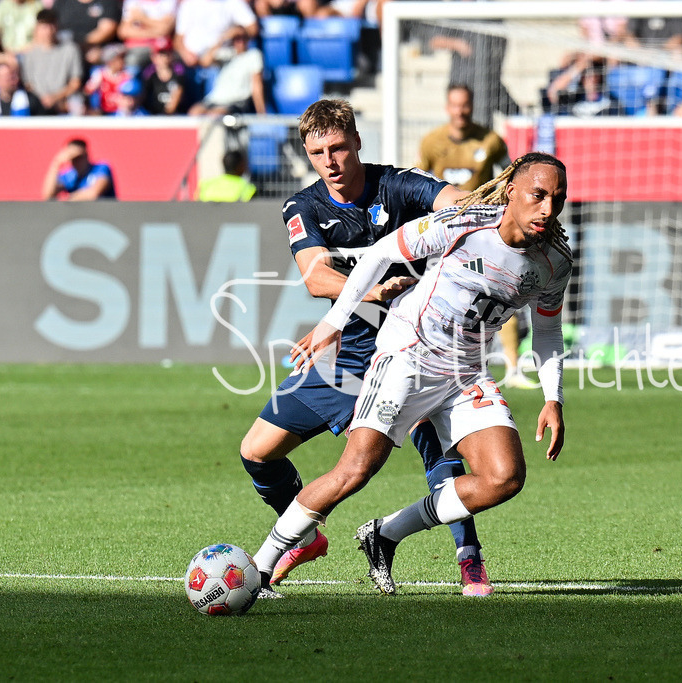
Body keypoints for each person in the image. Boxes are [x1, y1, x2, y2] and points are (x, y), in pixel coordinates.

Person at [250, 152, 571, 596]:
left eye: (558, 199)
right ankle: (258, 568)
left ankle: (384, 534)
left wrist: (552, 398)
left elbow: (549, 331)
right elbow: (382, 252)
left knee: (503, 477)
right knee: (355, 470)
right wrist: (333, 322)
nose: (548, 210)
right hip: (408, 354)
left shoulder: (554, 259)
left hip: (466, 372)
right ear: (512, 189)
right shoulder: (464, 224)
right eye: (538, 196)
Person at [236, 100, 502, 598]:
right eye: (318, 153)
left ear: (357, 141)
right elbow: (315, 276)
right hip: (349, 351)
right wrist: (372, 289)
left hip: (415, 347)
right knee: (257, 452)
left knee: (439, 449)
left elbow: (456, 201)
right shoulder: (304, 206)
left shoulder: (398, 184)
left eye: (338, 147)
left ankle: (470, 560)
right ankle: (304, 537)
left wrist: (488, 204)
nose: (330, 161)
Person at [417, 83, 536, 389]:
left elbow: (511, 177)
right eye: (455, 105)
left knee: (499, 293)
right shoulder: (432, 142)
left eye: (465, 105)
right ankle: (439, 361)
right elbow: (420, 182)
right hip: (446, 233)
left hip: (482, 232)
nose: (460, 111)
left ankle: (512, 367)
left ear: (472, 105)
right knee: (441, 296)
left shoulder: (491, 141)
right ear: (448, 107)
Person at [18, 9, 83, 114]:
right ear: (37, 28)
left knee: (77, 104)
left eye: (51, 26)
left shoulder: (70, 49)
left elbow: (75, 83)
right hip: (38, 102)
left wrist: (55, 98)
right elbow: (28, 84)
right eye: (44, 27)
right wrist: (44, 99)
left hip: (64, 101)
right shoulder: (30, 53)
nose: (48, 31)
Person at [186, 31, 264, 116]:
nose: (240, 42)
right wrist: (223, 39)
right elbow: (204, 62)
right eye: (236, 39)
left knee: (214, 116)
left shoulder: (253, 55)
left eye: (243, 38)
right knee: (194, 112)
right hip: (215, 100)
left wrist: (261, 112)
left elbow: (257, 85)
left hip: (236, 102)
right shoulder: (227, 54)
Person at [42, 138, 117, 200]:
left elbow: (93, 194)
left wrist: (69, 198)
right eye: (73, 158)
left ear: (86, 155)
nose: (77, 161)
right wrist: (56, 163)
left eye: (79, 157)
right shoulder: (70, 176)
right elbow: (48, 195)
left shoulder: (100, 168)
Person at [138, 36, 183, 114]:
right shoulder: (148, 75)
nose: (164, 57)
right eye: (160, 54)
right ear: (153, 57)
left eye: (166, 54)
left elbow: (175, 99)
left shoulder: (179, 73)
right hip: (151, 115)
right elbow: (142, 97)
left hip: (174, 116)